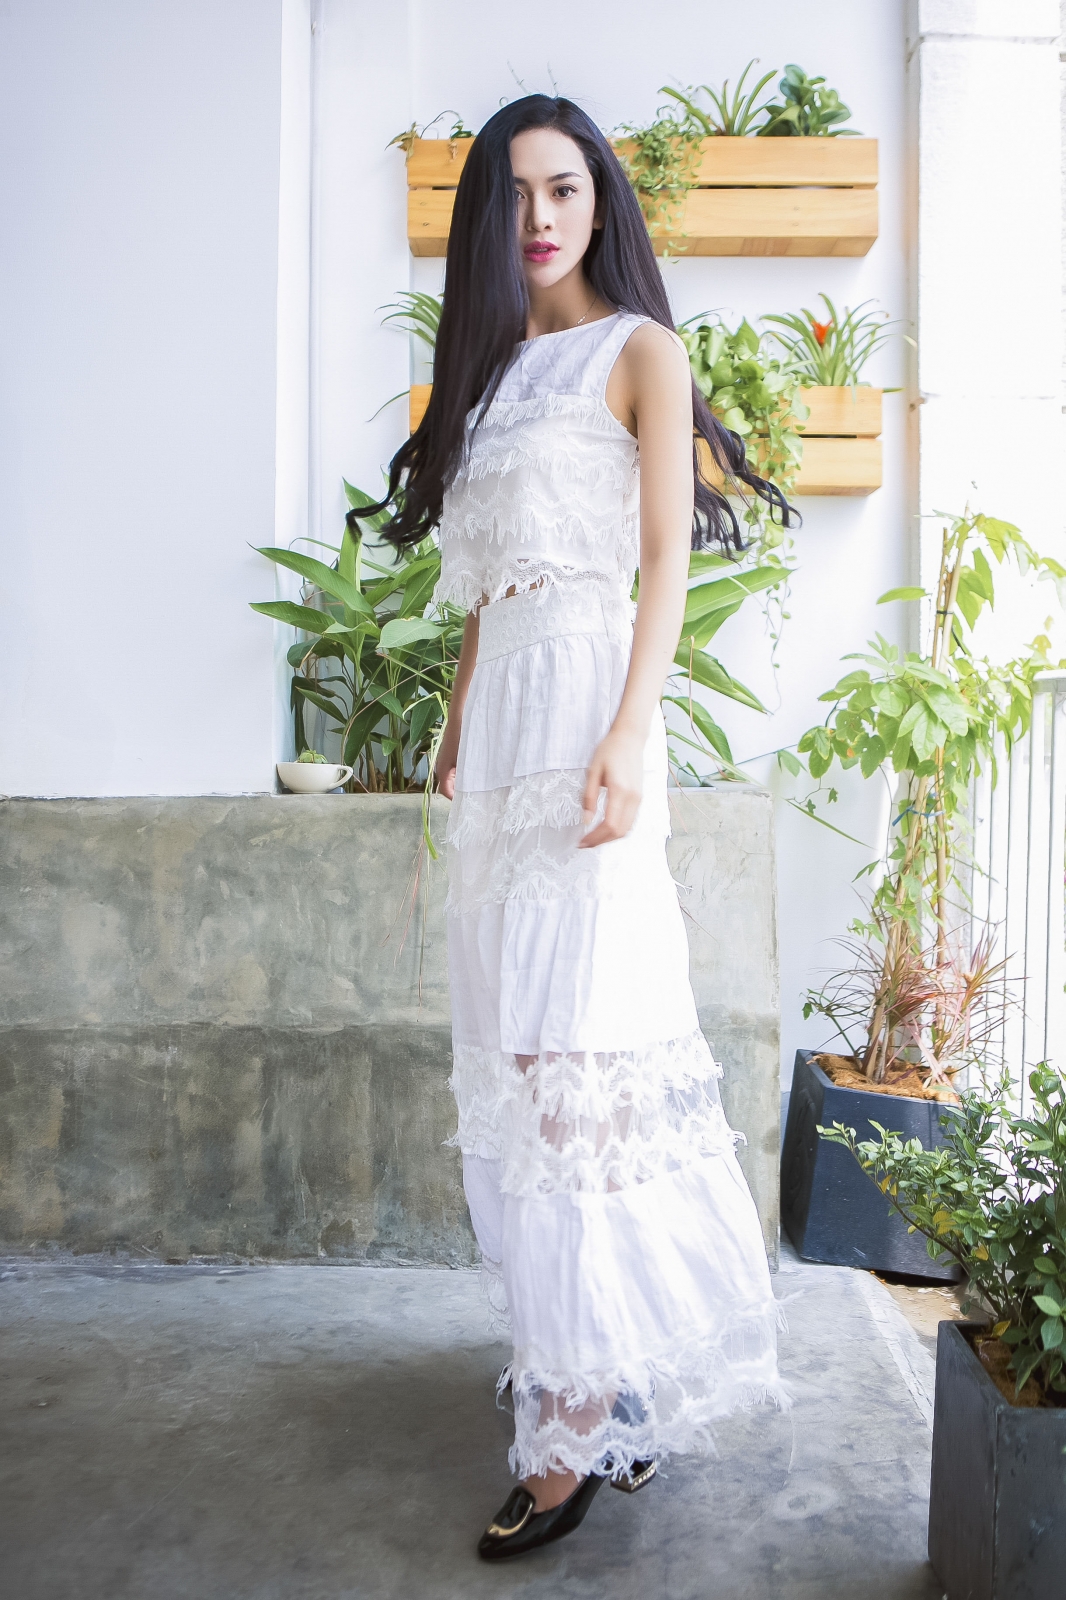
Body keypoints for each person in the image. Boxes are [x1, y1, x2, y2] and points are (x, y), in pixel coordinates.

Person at [360, 94, 791, 1561]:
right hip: (504, 748)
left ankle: (569, 1422)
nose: (540, 216)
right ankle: (602, 1379)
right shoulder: (487, 383)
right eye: (515, 194)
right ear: (487, 220)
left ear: (600, 199)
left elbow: (665, 559)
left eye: (563, 187)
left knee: (578, 1070)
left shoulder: (640, 353)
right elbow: (493, 586)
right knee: (517, 1065)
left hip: (593, 729)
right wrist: (454, 724)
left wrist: (625, 730)